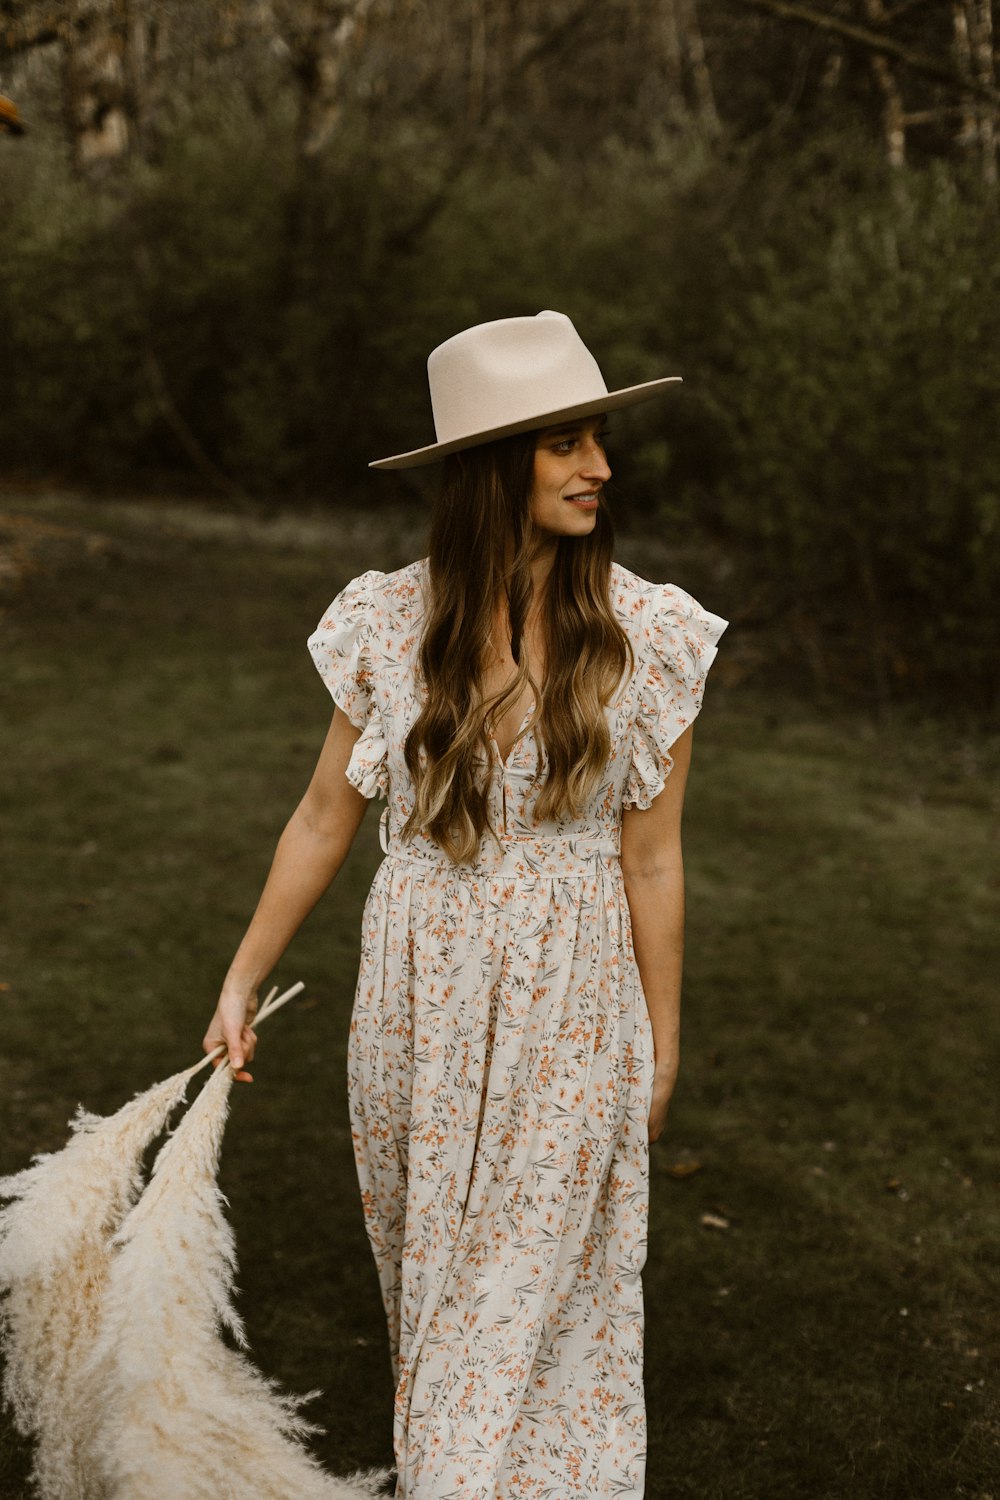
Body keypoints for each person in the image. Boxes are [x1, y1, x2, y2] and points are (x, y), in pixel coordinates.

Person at [201, 309, 727, 1498]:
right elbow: (323, 818)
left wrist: (660, 1047)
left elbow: (653, 861)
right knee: (437, 1296)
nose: (600, 467)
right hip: (415, 999)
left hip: (574, 1001)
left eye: (598, 439)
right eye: (565, 445)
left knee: (521, 1304)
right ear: (494, 468)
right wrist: (240, 980)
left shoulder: (645, 634)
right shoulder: (391, 621)